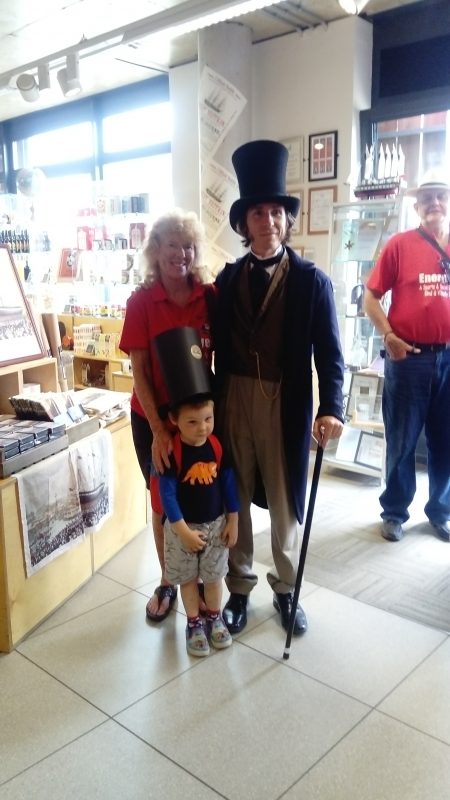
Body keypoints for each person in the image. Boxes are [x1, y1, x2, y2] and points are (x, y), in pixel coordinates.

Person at [213, 139, 345, 636]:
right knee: (237, 494)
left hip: (286, 403)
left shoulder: (313, 281)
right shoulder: (226, 280)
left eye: (275, 212)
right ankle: (240, 587)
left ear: (286, 221)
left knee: (288, 499)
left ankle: (287, 591)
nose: (267, 221)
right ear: (244, 223)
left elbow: (331, 354)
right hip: (232, 400)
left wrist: (331, 406)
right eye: (257, 213)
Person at [119, 209, 215, 622]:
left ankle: (202, 575)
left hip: (199, 420)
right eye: (172, 245)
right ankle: (167, 580)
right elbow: (139, 371)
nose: (181, 253)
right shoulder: (141, 301)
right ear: (155, 251)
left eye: (188, 245)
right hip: (152, 420)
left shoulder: (208, 296)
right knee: (163, 501)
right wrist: (159, 431)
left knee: (200, 493)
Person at [364, 169, 450, 543]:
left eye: (441, 196)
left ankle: (441, 511)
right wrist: (389, 335)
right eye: (427, 198)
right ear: (417, 207)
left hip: (448, 357)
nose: (434, 203)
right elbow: (369, 297)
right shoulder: (399, 245)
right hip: (409, 357)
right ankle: (395, 511)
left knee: (446, 441)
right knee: (402, 439)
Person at [159, 395, 239, 656]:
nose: (202, 427)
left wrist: (234, 520)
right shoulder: (174, 451)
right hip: (181, 528)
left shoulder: (216, 446)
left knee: (215, 577)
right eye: (192, 422)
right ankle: (193, 622)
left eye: (207, 419)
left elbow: (228, 484)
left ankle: (214, 617)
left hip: (216, 525)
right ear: (175, 420)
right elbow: (167, 495)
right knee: (189, 579)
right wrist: (183, 531)